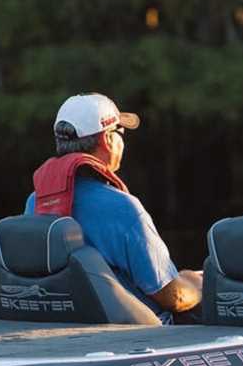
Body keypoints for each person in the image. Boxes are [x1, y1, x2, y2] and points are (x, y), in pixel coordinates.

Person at [25, 93, 203, 319]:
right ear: (107, 139)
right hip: (132, 335)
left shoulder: (35, 202)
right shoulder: (123, 208)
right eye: (121, 132)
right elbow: (173, 297)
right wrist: (196, 284)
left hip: (62, 322)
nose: (123, 141)